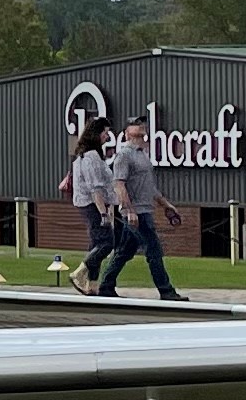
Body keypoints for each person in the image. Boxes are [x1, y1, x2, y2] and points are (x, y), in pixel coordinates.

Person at [102, 117, 182, 298]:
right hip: (136, 212)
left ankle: (106, 286)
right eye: (136, 125)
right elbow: (119, 184)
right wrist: (129, 210)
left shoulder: (142, 154)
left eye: (142, 125)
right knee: (154, 249)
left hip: (146, 209)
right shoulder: (124, 155)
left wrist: (165, 204)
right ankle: (166, 290)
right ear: (127, 132)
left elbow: (149, 186)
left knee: (124, 251)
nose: (141, 128)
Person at [63, 119, 121, 293]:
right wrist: (104, 213)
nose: (107, 136)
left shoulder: (85, 155)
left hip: (93, 204)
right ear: (96, 134)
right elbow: (95, 187)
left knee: (96, 244)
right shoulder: (91, 157)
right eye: (105, 132)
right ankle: (80, 272)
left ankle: (92, 286)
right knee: (107, 243)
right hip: (93, 205)